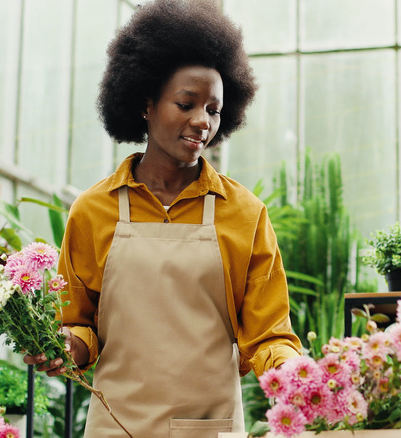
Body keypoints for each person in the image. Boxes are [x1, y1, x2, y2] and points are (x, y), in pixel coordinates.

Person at [23, 1, 302, 436]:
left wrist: (298, 376)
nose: (201, 122)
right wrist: (63, 347)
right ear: (145, 103)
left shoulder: (245, 213)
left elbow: (269, 334)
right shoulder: (94, 209)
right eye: (186, 103)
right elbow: (77, 321)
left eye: (213, 109)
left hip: (210, 427)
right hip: (116, 427)